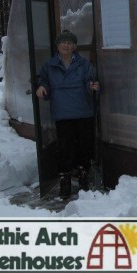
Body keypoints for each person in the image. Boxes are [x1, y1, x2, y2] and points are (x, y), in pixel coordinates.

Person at [36, 30, 99, 198]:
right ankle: (65, 179)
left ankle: (84, 174)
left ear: (74, 47)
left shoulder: (84, 64)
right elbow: (43, 81)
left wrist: (92, 86)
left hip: (83, 111)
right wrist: (42, 88)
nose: (66, 45)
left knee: (84, 146)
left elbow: (90, 80)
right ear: (57, 46)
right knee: (64, 148)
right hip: (62, 112)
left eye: (70, 43)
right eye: (63, 42)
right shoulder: (49, 66)